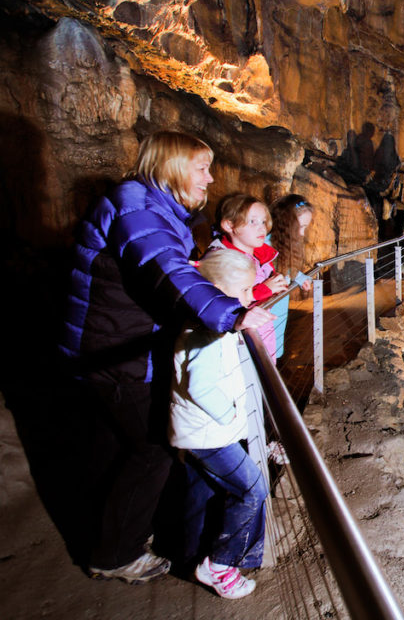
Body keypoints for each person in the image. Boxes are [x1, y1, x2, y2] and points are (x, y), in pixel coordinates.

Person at [61, 131, 274, 584]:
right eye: (201, 168)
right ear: (173, 166)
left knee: (112, 447)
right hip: (115, 351)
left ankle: (107, 536)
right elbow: (168, 269)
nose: (209, 178)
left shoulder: (148, 208)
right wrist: (231, 312)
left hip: (110, 348)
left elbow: (170, 265)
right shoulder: (135, 205)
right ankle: (115, 552)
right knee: (154, 448)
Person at [169, 249, 268, 599]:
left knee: (203, 492)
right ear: (213, 288)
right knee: (252, 489)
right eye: (243, 291)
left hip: (199, 431)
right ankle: (221, 564)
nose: (248, 299)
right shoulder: (206, 331)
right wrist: (232, 418)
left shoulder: (210, 322)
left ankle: (190, 555)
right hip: (209, 434)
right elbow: (201, 386)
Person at [208, 193, 289, 362]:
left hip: (263, 333)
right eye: (252, 221)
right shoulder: (221, 261)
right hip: (239, 345)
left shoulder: (261, 255)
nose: (262, 228)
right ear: (229, 225)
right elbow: (219, 306)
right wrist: (264, 290)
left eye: (263, 221)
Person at [268, 194, 314, 360]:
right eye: (300, 227)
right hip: (266, 321)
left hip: (277, 316)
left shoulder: (279, 244)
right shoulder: (265, 248)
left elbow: (284, 269)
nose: (302, 233)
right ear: (286, 223)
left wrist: (300, 278)